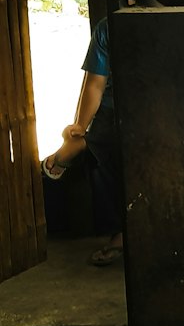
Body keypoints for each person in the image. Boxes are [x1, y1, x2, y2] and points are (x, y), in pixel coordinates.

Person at [42, 15, 125, 267]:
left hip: (142, 108)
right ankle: (120, 234)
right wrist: (80, 126)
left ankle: (71, 152)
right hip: (117, 111)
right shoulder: (108, 27)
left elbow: (95, 85)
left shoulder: (108, 26)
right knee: (100, 151)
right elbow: (94, 85)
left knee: (98, 145)